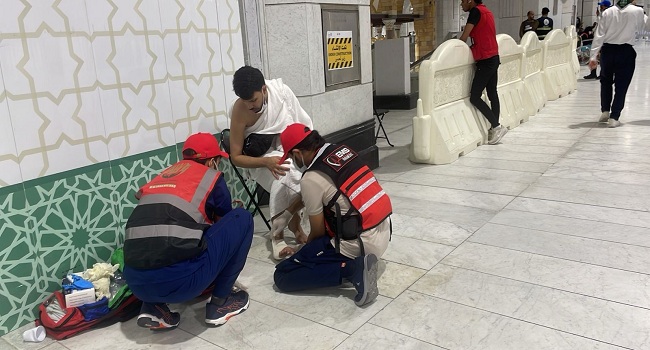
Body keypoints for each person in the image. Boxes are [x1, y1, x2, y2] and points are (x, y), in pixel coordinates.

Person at [123, 133, 254, 329]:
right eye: (218, 161)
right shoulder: (211, 177)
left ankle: (153, 308)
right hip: (184, 283)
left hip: (136, 285)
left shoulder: (161, 178)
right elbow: (224, 224)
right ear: (211, 162)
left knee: (155, 245)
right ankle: (221, 303)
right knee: (242, 218)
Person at [272, 123, 392, 307]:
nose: (292, 162)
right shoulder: (341, 150)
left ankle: (353, 270)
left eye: (290, 157)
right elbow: (323, 189)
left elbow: (318, 233)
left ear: (297, 153)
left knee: (282, 275)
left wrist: (303, 253)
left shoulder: (310, 179)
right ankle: (352, 265)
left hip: (361, 244)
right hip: (382, 230)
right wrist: (288, 213)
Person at [229, 66, 313, 260]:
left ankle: (296, 225)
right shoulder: (240, 110)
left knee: (303, 176)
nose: (250, 106)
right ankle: (278, 235)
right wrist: (266, 162)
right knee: (282, 177)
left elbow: (301, 125)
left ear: (264, 89)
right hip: (259, 159)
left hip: (287, 151)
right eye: (245, 101)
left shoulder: (281, 93)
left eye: (253, 100)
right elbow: (236, 157)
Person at [589, 0, 646, 128]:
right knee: (622, 85)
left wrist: (593, 56)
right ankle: (614, 117)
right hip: (626, 51)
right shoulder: (638, 11)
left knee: (605, 81)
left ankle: (605, 110)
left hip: (607, 51)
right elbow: (642, 30)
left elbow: (599, 34)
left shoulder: (608, 11)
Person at [459, 0, 507, 145]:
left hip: (485, 59)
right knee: (492, 93)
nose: (461, 5)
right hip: (494, 56)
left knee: (474, 96)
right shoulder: (487, 11)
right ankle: (495, 128)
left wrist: (455, 46)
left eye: (462, 1)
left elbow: (465, 36)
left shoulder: (475, 12)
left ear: (470, 1)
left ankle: (497, 126)